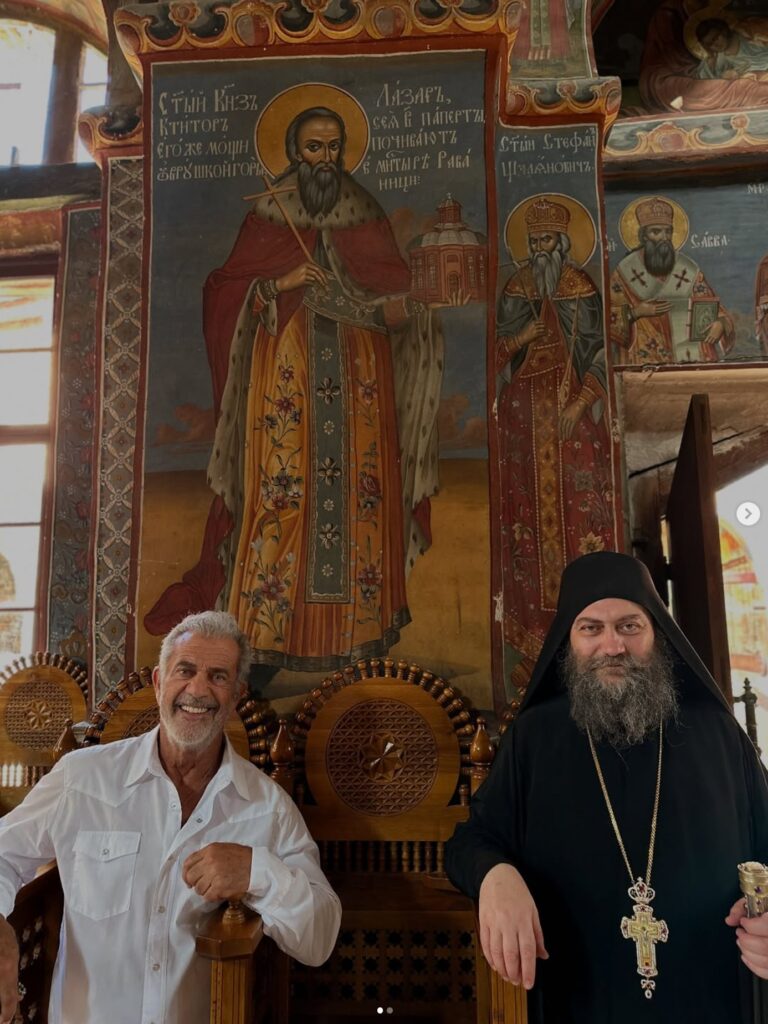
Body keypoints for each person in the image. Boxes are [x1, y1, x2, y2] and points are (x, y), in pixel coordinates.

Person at [145, 103, 440, 675]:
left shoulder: (364, 210)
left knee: (359, 496)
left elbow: (393, 290)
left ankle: (359, 634)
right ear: (293, 152)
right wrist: (282, 281)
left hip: (359, 377)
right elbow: (225, 289)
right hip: (287, 374)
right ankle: (267, 638)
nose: (324, 159)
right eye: (313, 147)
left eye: (333, 147)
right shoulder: (269, 212)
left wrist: (408, 308)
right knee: (283, 497)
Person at [445, 550, 768, 1023]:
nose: (612, 646)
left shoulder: (717, 734)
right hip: (577, 1001)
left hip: (709, 1000)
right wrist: (496, 876)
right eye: (591, 628)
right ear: (569, 641)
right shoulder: (535, 737)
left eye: (629, 626)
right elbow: (468, 842)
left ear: (657, 634)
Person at [0, 610, 341, 1024]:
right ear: (160, 682)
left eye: (218, 676)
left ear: (236, 695)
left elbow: (320, 938)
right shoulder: (82, 778)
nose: (197, 689)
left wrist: (258, 872)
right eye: (186, 670)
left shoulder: (267, 808)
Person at [496, 197, 613, 681]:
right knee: (524, 528)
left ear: (563, 243)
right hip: (523, 422)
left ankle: (585, 644)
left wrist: (581, 403)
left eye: (547, 240)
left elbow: (600, 349)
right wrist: (522, 338)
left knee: (579, 519)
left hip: (571, 421)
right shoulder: (516, 287)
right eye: (533, 241)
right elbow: (495, 353)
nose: (539, 250)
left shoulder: (581, 288)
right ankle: (532, 648)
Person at [610, 195, 733, 365]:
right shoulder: (624, 271)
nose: (664, 237)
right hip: (645, 358)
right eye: (656, 232)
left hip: (689, 358)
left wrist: (720, 323)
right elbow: (608, 320)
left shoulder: (688, 268)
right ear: (644, 236)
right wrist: (636, 312)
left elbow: (713, 308)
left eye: (667, 231)